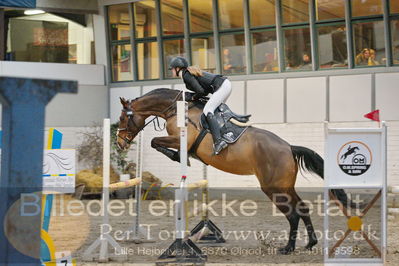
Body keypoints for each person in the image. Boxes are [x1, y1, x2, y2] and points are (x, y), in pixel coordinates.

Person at [169, 56, 232, 155]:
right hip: (224, 84)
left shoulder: (186, 75)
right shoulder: (187, 73)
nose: (171, 71)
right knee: (216, 111)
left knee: (208, 110)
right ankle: (226, 134)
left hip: (222, 86)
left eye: (172, 69)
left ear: (177, 68)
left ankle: (219, 141)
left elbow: (200, 91)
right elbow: (204, 90)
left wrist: (194, 97)